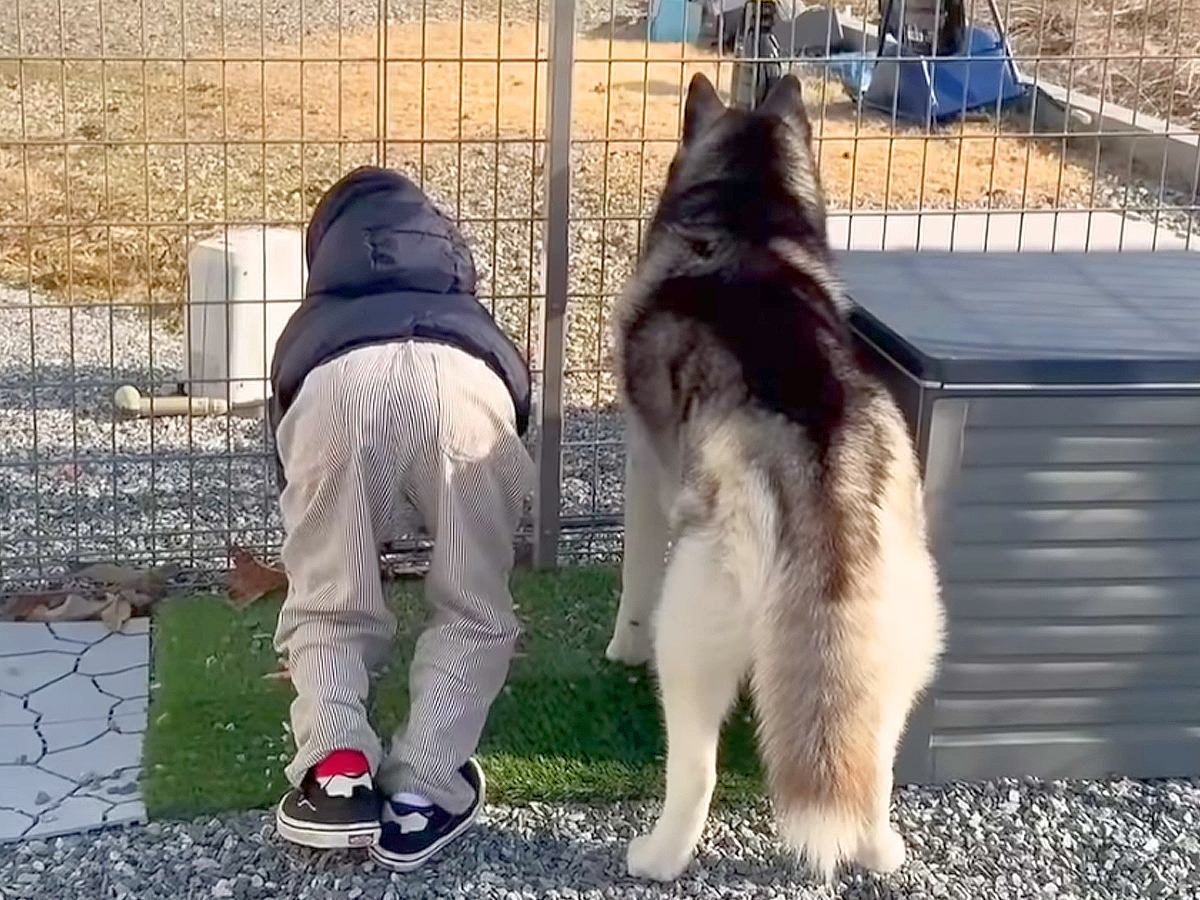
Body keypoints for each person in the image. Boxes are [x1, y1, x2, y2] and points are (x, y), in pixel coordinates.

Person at [267, 165, 534, 872]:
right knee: (474, 606)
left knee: (330, 600)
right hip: (467, 383)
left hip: (336, 387)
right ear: (439, 243)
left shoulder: (319, 313)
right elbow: (517, 383)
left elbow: (284, 428)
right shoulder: (462, 300)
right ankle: (421, 792)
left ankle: (338, 771)